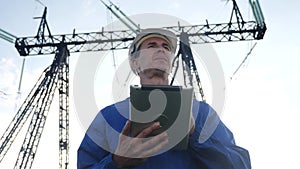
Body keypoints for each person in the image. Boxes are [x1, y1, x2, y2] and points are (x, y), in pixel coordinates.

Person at [77, 28, 251, 169]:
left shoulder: (201, 113)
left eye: (166, 47)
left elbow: (240, 165)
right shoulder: (108, 117)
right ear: (135, 62)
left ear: (171, 62)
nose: (161, 49)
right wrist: (116, 162)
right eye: (152, 45)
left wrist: (195, 135)